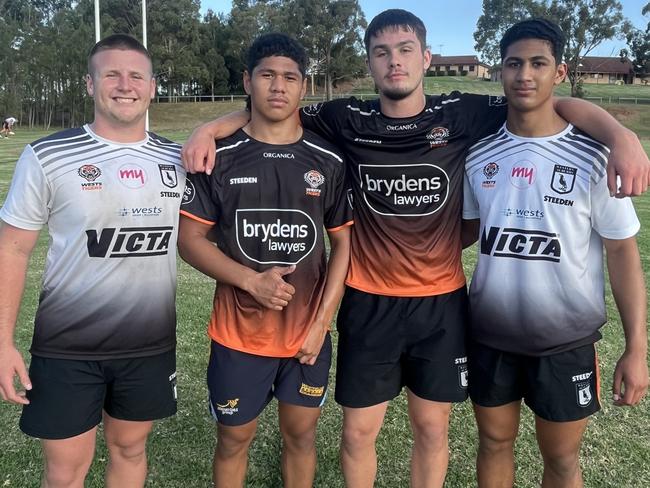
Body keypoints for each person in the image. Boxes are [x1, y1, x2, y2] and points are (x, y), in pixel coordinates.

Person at [181, 9, 650, 487]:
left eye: (406, 50)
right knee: (359, 433)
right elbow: (273, 107)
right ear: (370, 63)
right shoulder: (345, 118)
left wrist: (620, 135)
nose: (395, 62)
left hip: (441, 303)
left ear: (425, 57)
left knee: (432, 427)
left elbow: (541, 101)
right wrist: (210, 127)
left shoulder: (462, 114)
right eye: (382, 53)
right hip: (368, 301)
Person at [462, 18, 648, 488]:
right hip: (490, 335)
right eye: (513, 64)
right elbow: (461, 234)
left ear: (558, 72)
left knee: (562, 461)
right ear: (500, 72)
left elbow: (623, 255)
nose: (525, 74)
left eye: (538, 63)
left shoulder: (594, 158)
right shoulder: (479, 155)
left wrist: (637, 348)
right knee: (493, 445)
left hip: (565, 343)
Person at [0, 34, 185, 487]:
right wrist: (2, 342)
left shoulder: (179, 158)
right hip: (67, 348)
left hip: (148, 345)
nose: (125, 85)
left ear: (153, 86)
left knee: (130, 449)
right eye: (111, 74)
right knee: (65, 471)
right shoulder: (47, 155)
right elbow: (12, 249)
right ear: (89, 84)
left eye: (136, 75)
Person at [177, 33, 352, 488]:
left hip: (306, 338)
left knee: (301, 438)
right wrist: (250, 282)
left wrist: (321, 323)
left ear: (304, 86)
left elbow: (343, 248)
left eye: (290, 77)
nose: (278, 86)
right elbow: (190, 239)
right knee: (234, 440)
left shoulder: (329, 161)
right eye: (267, 75)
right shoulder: (221, 156)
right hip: (239, 336)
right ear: (247, 81)